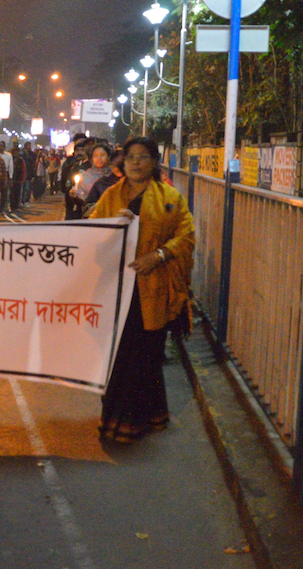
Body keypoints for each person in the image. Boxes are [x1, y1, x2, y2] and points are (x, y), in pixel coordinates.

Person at [90, 137, 195, 442]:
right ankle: (120, 420)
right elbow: (92, 232)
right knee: (119, 355)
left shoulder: (170, 197)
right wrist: (112, 225)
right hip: (117, 288)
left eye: (143, 156)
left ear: (154, 162)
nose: (136, 162)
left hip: (153, 287)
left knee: (147, 353)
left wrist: (158, 256)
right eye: (131, 156)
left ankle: (147, 416)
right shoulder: (110, 196)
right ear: (121, 162)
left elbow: (186, 236)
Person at [70, 140, 112, 215]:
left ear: (108, 156)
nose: (99, 158)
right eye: (95, 155)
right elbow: (82, 201)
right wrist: (74, 196)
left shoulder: (113, 175)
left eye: (102, 155)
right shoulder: (85, 176)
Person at [82, 149, 125, 218]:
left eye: (121, 164)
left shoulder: (134, 183)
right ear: (111, 165)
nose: (118, 168)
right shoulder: (101, 184)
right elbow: (87, 208)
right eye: (116, 164)